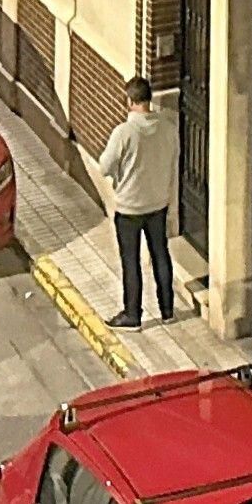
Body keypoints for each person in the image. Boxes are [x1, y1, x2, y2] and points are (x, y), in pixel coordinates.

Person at [95, 73, 181, 327]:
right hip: (158, 203)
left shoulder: (124, 132)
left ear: (130, 101)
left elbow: (105, 166)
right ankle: (167, 309)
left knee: (131, 261)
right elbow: (173, 159)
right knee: (160, 254)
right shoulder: (168, 128)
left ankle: (133, 314)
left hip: (130, 207)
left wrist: (119, 175)